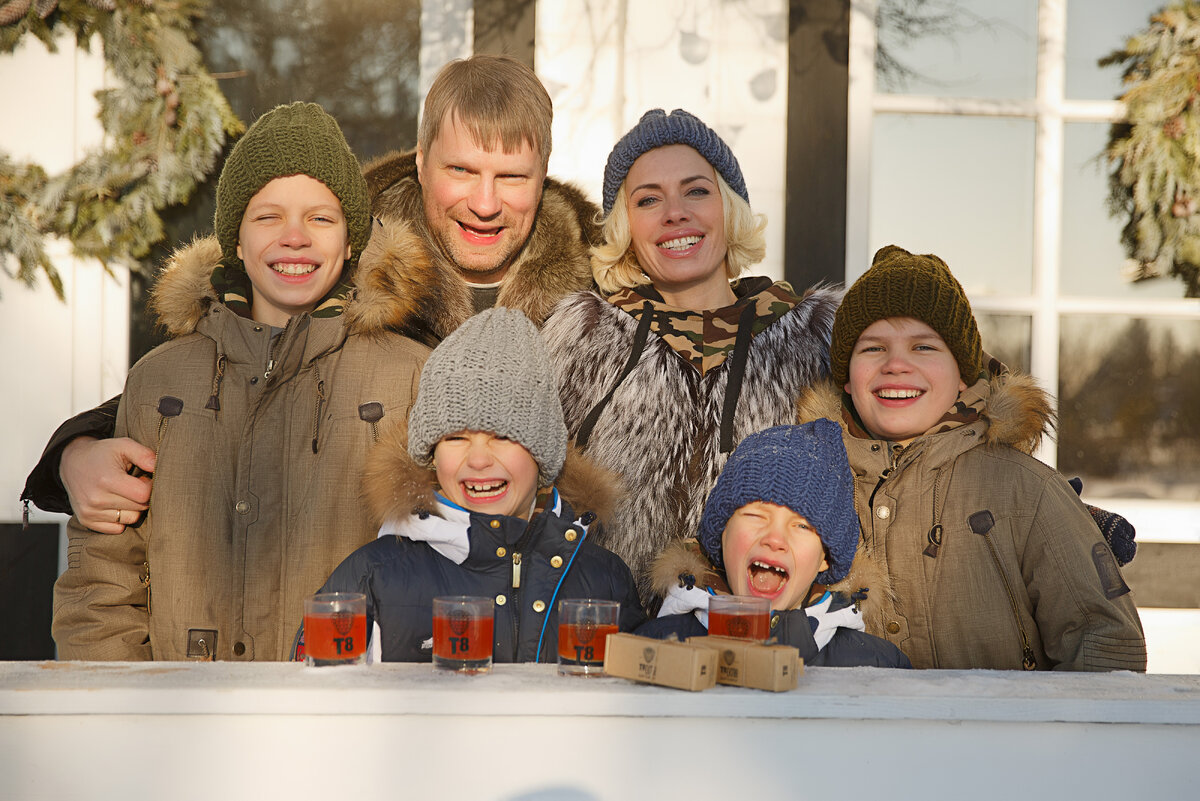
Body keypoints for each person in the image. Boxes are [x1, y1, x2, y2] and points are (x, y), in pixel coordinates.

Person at [21, 54, 600, 534]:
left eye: (512, 177)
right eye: (462, 171)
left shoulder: (598, 296)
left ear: (544, 173)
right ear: (422, 163)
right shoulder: (343, 272)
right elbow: (221, 370)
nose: (485, 202)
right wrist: (76, 450)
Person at [51, 102, 430, 661]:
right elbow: (102, 583)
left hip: (348, 725)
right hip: (183, 720)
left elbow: (447, 566)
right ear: (235, 238)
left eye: (321, 218)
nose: (295, 237)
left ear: (352, 240)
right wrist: (121, 716)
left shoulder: (410, 375)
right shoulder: (161, 379)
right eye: (268, 216)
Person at [798, 244, 1146, 671]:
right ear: (847, 379)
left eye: (924, 347)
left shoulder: (1027, 491)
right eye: (872, 349)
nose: (896, 365)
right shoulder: (805, 487)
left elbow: (1107, 646)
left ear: (963, 374)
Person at [542, 109, 841, 603]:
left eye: (696, 191)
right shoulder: (580, 337)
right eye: (648, 200)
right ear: (625, 229)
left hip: (772, 650)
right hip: (608, 651)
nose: (674, 212)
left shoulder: (814, 338)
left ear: (729, 208)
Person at [316, 308, 644, 662]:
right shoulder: (372, 576)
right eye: (456, 437)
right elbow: (309, 707)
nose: (478, 460)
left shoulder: (604, 579)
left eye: (503, 436)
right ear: (432, 454)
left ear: (542, 452)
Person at [639, 422, 911, 668]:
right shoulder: (653, 648)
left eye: (802, 526)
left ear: (824, 559)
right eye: (756, 516)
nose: (775, 539)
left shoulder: (876, 664)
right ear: (722, 534)